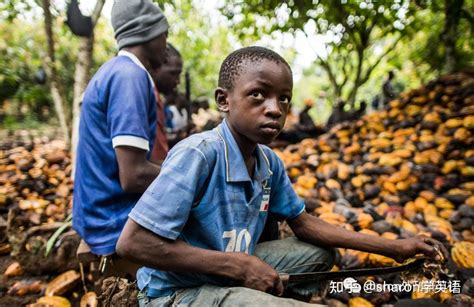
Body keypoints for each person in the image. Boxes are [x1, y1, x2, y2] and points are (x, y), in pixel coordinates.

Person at [116, 47, 446, 306]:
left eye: (283, 98)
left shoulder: (269, 162)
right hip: (175, 292)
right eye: (259, 94)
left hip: (223, 272)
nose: (275, 108)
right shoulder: (199, 154)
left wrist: (394, 247)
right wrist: (238, 268)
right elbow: (133, 243)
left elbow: (304, 224)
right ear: (224, 100)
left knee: (320, 255)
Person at [73, 0, 169, 278]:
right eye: (164, 33)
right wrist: (190, 178)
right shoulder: (130, 77)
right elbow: (133, 175)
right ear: (147, 33)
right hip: (111, 221)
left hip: (97, 212)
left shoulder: (114, 70)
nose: (166, 42)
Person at [150, 44, 183, 162]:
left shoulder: (156, 97)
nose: (177, 81)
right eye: (173, 73)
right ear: (156, 68)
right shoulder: (147, 96)